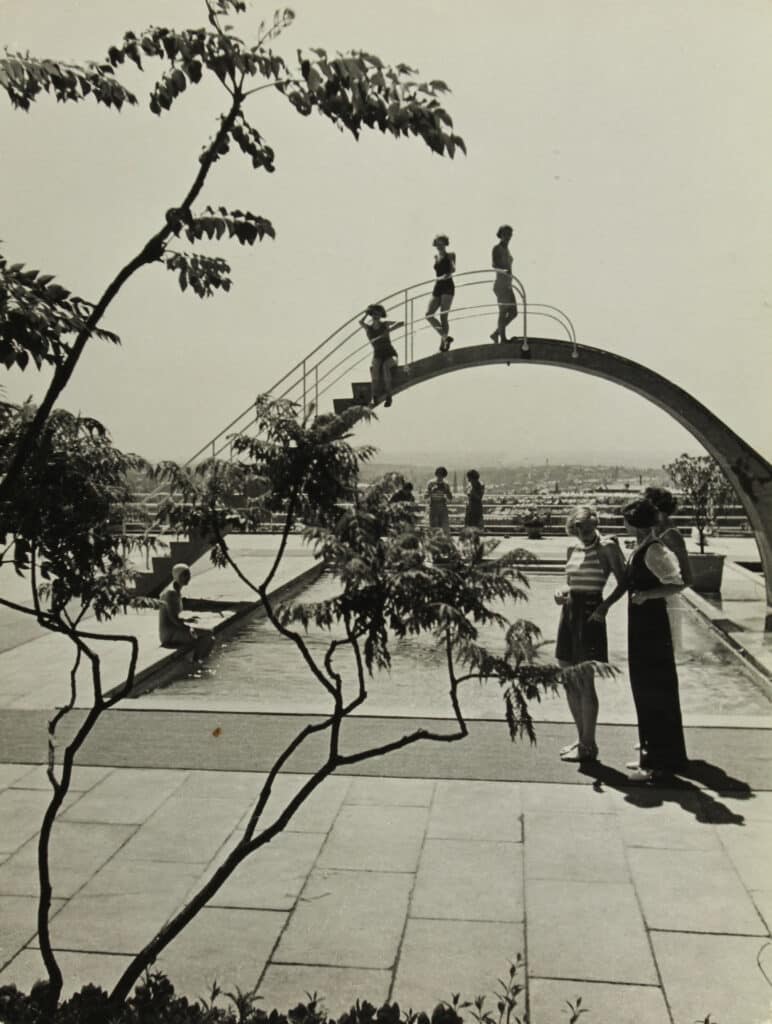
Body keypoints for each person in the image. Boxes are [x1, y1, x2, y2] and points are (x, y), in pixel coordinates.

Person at [594, 498, 688, 782]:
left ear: (634, 523)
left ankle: (659, 762)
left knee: (654, 688)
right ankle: (651, 753)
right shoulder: (641, 548)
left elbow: (678, 583)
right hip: (642, 624)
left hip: (652, 626)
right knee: (645, 687)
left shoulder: (654, 550)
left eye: (625, 519)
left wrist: (648, 595)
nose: (623, 524)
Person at [554, 507, 625, 762]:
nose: (583, 535)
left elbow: (624, 581)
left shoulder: (607, 547)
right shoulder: (572, 549)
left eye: (587, 529)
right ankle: (581, 738)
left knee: (585, 680)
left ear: (595, 525)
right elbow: (569, 581)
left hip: (590, 613)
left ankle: (589, 745)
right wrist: (560, 592)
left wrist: (604, 607)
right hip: (569, 613)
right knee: (567, 675)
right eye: (578, 530)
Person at [644, 485, 693, 661]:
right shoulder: (651, 533)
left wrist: (660, 591)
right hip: (651, 601)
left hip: (666, 601)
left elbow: (688, 578)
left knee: (667, 654)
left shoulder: (671, 535)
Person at [158, 563, 215, 663]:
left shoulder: (176, 591)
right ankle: (196, 662)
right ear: (177, 576)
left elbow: (173, 617)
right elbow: (174, 620)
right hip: (169, 634)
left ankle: (202, 661)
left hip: (174, 630)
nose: (188, 577)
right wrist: (190, 629)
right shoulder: (171, 593)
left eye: (189, 574)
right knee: (206, 634)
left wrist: (187, 621)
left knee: (211, 638)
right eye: (185, 575)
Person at [490, 224, 528, 351]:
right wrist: (504, 271)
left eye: (510, 234)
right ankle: (503, 339)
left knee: (513, 313)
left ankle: (496, 333)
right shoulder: (497, 248)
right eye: (506, 234)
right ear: (501, 234)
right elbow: (494, 265)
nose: (508, 236)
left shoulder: (507, 249)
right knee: (503, 312)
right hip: (501, 285)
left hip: (508, 285)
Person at [359, 303, 404, 408]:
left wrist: (390, 329)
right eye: (374, 314)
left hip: (390, 353)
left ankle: (389, 395)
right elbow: (360, 322)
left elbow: (401, 323)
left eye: (378, 314)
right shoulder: (369, 328)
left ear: (381, 315)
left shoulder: (385, 324)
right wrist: (366, 313)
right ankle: (374, 396)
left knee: (385, 367)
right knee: (375, 370)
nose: (376, 316)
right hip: (378, 354)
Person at [426, 234, 456, 352]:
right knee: (429, 314)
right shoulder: (435, 256)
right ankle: (445, 337)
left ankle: (444, 344)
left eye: (442, 243)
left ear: (445, 243)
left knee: (443, 316)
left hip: (447, 285)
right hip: (438, 286)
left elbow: (453, 269)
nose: (440, 245)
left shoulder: (450, 255)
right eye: (438, 243)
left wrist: (445, 276)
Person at [425, 466, 453, 532]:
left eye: (442, 474)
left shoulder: (446, 484)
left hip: (442, 506)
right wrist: (432, 491)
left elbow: (450, 497)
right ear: (436, 474)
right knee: (434, 527)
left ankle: (444, 540)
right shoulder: (431, 483)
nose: (440, 476)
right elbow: (425, 496)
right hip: (433, 506)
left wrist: (446, 491)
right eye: (439, 474)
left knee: (444, 527)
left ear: (444, 475)